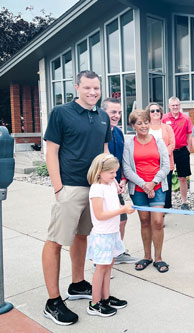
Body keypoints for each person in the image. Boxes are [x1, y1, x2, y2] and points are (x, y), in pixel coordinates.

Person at [42, 70, 111, 326]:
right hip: (69, 188)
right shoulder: (61, 113)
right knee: (56, 241)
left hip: (94, 189)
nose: (93, 92)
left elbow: (104, 153)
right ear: (77, 87)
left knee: (82, 237)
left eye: (96, 88)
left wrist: (108, 185)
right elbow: (51, 152)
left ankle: (77, 283)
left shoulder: (103, 117)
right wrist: (58, 188)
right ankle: (53, 301)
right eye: (88, 88)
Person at [86, 153, 133, 317]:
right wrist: (122, 210)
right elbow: (99, 214)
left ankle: (105, 298)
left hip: (112, 233)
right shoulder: (96, 189)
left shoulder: (110, 184)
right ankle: (94, 303)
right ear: (100, 171)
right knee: (101, 268)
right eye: (112, 173)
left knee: (108, 267)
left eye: (116, 172)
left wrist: (125, 207)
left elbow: (116, 205)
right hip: (102, 235)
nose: (115, 176)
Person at [123, 110, 170, 273]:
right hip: (138, 188)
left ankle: (159, 258)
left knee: (157, 222)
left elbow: (166, 165)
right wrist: (144, 185)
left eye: (146, 122)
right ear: (133, 126)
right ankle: (147, 256)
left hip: (157, 187)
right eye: (139, 123)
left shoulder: (158, 141)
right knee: (144, 221)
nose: (143, 126)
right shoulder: (129, 144)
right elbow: (127, 169)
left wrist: (153, 183)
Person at [101, 98, 137, 265]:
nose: (116, 116)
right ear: (103, 112)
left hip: (116, 183)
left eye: (119, 113)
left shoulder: (118, 132)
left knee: (122, 219)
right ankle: (100, 260)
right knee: (105, 223)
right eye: (113, 112)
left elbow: (120, 159)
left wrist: (122, 178)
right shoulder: (99, 132)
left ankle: (118, 252)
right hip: (102, 185)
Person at [162, 97, 192, 210]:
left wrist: (188, 150)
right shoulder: (164, 118)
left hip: (182, 151)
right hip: (168, 152)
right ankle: (167, 204)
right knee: (167, 177)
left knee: (182, 178)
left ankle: (184, 202)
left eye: (177, 105)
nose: (175, 107)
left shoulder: (185, 118)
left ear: (180, 106)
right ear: (169, 106)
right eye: (173, 105)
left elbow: (189, 134)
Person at [146, 102, 176, 209]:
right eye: (152, 111)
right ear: (148, 113)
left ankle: (165, 208)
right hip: (149, 163)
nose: (155, 112)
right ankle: (153, 207)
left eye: (157, 110)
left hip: (165, 162)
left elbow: (172, 144)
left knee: (166, 186)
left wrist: (162, 155)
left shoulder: (167, 128)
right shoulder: (145, 128)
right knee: (152, 185)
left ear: (161, 112)